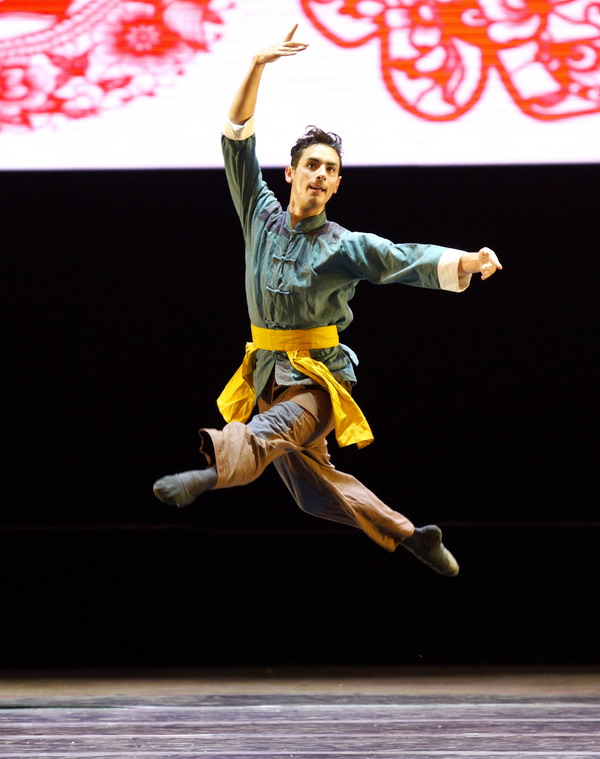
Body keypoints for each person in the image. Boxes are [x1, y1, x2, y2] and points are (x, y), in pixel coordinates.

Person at [153, 27, 503, 577]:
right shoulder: (260, 217)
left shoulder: (342, 245)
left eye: (331, 169)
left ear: (337, 185)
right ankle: (412, 535)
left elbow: (402, 257)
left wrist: (469, 260)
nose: (320, 174)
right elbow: (236, 138)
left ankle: (206, 473)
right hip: (266, 372)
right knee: (312, 493)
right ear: (290, 173)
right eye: (312, 165)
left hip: (318, 381)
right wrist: (257, 63)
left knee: (270, 434)